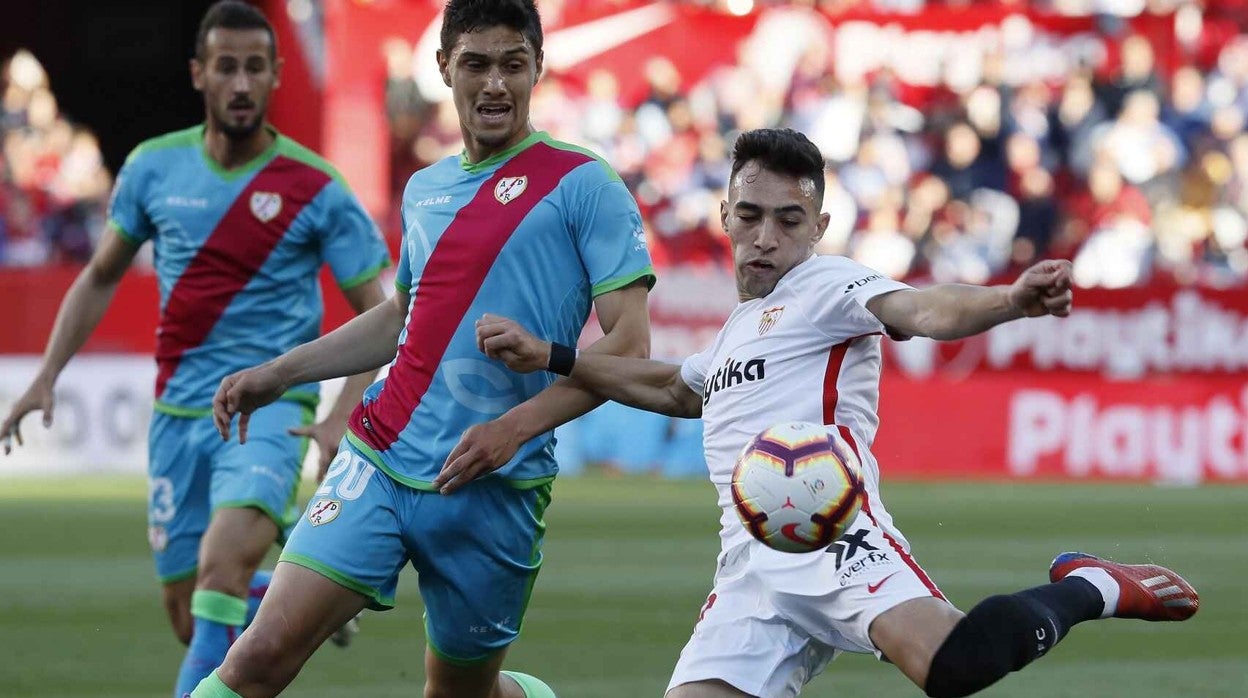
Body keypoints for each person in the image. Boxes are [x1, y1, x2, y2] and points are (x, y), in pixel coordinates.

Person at [474, 128, 1200, 698]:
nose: (766, 237)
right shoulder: (736, 330)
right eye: (751, 216)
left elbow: (918, 309)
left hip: (831, 533)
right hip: (749, 568)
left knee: (956, 666)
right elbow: (675, 388)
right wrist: (554, 356)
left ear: (817, 225)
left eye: (789, 221)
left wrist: (1008, 301)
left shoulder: (829, 284)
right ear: (724, 214)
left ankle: (1092, 585)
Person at [199, 1, 654, 696]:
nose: (495, 84)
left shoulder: (583, 184)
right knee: (257, 660)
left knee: (459, 694)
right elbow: (400, 320)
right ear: (444, 68)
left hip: (494, 487)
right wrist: (276, 372)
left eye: (512, 64)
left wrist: (513, 428)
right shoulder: (425, 188)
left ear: (539, 67)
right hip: (379, 459)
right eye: (476, 64)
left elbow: (629, 346)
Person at [0, 3, 390, 696]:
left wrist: (341, 416)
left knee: (217, 577)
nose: (241, 83)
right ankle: (302, 594)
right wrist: (46, 375)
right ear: (198, 74)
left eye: (255, 69)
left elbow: (383, 316)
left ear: (273, 78)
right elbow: (99, 277)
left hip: (269, 406)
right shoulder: (153, 169)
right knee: (191, 614)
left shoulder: (316, 187)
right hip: (178, 411)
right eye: (226, 67)